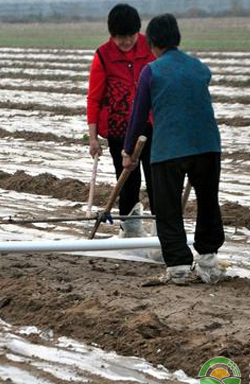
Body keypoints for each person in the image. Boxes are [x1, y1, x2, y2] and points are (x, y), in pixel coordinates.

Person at [123, 14, 225, 284]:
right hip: (208, 146)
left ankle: (179, 267)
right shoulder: (199, 67)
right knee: (208, 203)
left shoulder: (151, 71)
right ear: (177, 39)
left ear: (152, 43)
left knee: (168, 208)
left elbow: (138, 115)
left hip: (169, 149)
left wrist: (127, 151)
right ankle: (208, 261)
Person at [86, 3, 155, 237]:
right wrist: (93, 137)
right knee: (127, 180)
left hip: (152, 125)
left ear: (138, 31)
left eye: (130, 36)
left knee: (157, 178)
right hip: (119, 130)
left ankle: (162, 228)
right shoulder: (103, 55)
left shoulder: (151, 47)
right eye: (119, 37)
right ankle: (130, 229)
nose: (126, 42)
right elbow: (94, 98)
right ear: (111, 35)